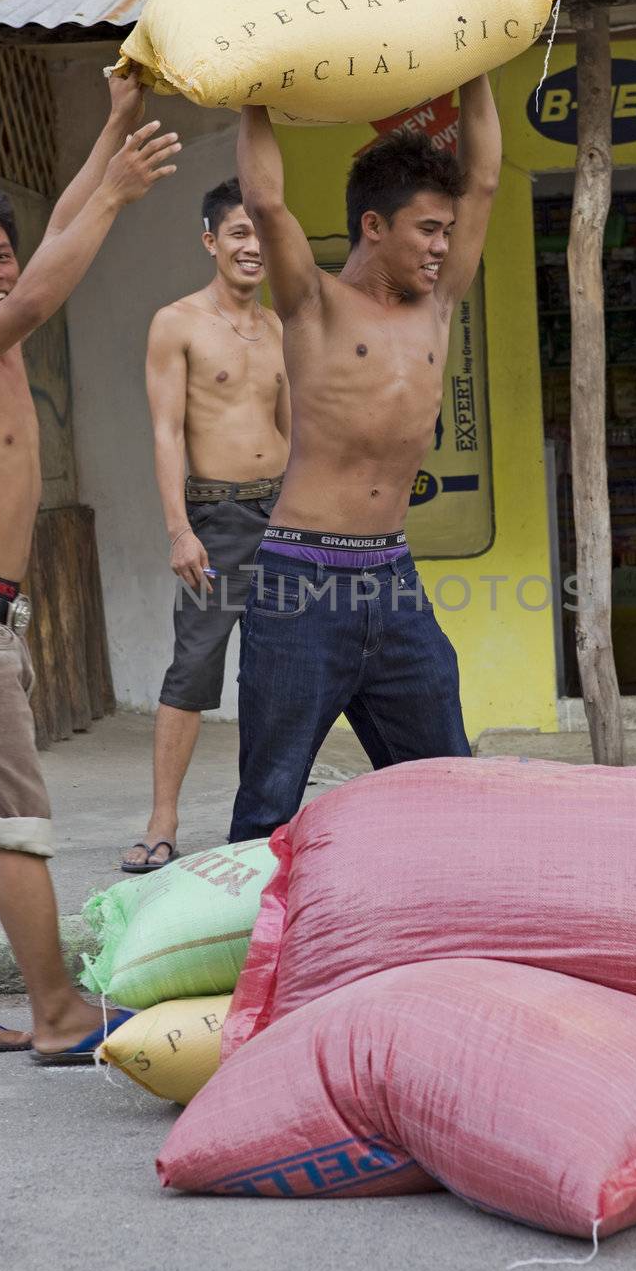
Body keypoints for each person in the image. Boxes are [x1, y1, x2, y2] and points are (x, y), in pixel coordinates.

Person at [0, 70, 181, 1061]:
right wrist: (117, 194)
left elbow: (52, 237)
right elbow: (46, 282)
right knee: (12, 823)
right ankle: (57, 1014)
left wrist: (110, 128)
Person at [228, 76, 501, 842]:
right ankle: (254, 960)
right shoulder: (310, 304)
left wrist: (476, 68)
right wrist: (250, 97)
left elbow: (481, 180)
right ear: (374, 226)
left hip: (393, 581)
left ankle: (443, 948)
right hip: (300, 583)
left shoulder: (437, 306)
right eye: (426, 230)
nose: (442, 245)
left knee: (448, 784)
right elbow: (268, 203)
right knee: (268, 803)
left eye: (446, 231)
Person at [120, 179, 289, 872]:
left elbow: (289, 427)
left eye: (261, 235)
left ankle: (267, 822)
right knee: (191, 670)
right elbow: (165, 433)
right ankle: (162, 823)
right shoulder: (177, 322)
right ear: (211, 241)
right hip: (215, 518)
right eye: (239, 234)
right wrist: (178, 530)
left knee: (281, 673)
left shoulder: (279, 328)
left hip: (282, 515)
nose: (252, 248)